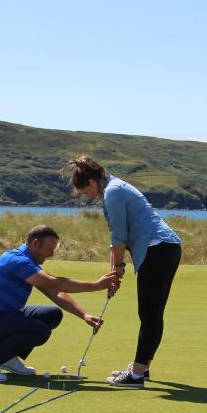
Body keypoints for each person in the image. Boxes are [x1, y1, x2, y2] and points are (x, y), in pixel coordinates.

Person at [61, 156, 182, 388]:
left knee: (149, 314)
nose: (87, 193)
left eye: (86, 188)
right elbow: (114, 238)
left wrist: (117, 267)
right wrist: (114, 272)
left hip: (158, 249)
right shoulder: (113, 189)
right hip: (162, 249)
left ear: (95, 180)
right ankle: (142, 367)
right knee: (151, 314)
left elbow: (119, 236)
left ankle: (136, 374)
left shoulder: (113, 192)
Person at [0, 225, 117, 382]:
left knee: (52, 314)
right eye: (49, 249)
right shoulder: (16, 260)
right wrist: (95, 285)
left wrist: (84, 315)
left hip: (3, 317)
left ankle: (6, 357)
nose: (51, 254)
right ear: (35, 244)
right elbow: (54, 283)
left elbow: (55, 292)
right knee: (40, 331)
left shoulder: (29, 265)